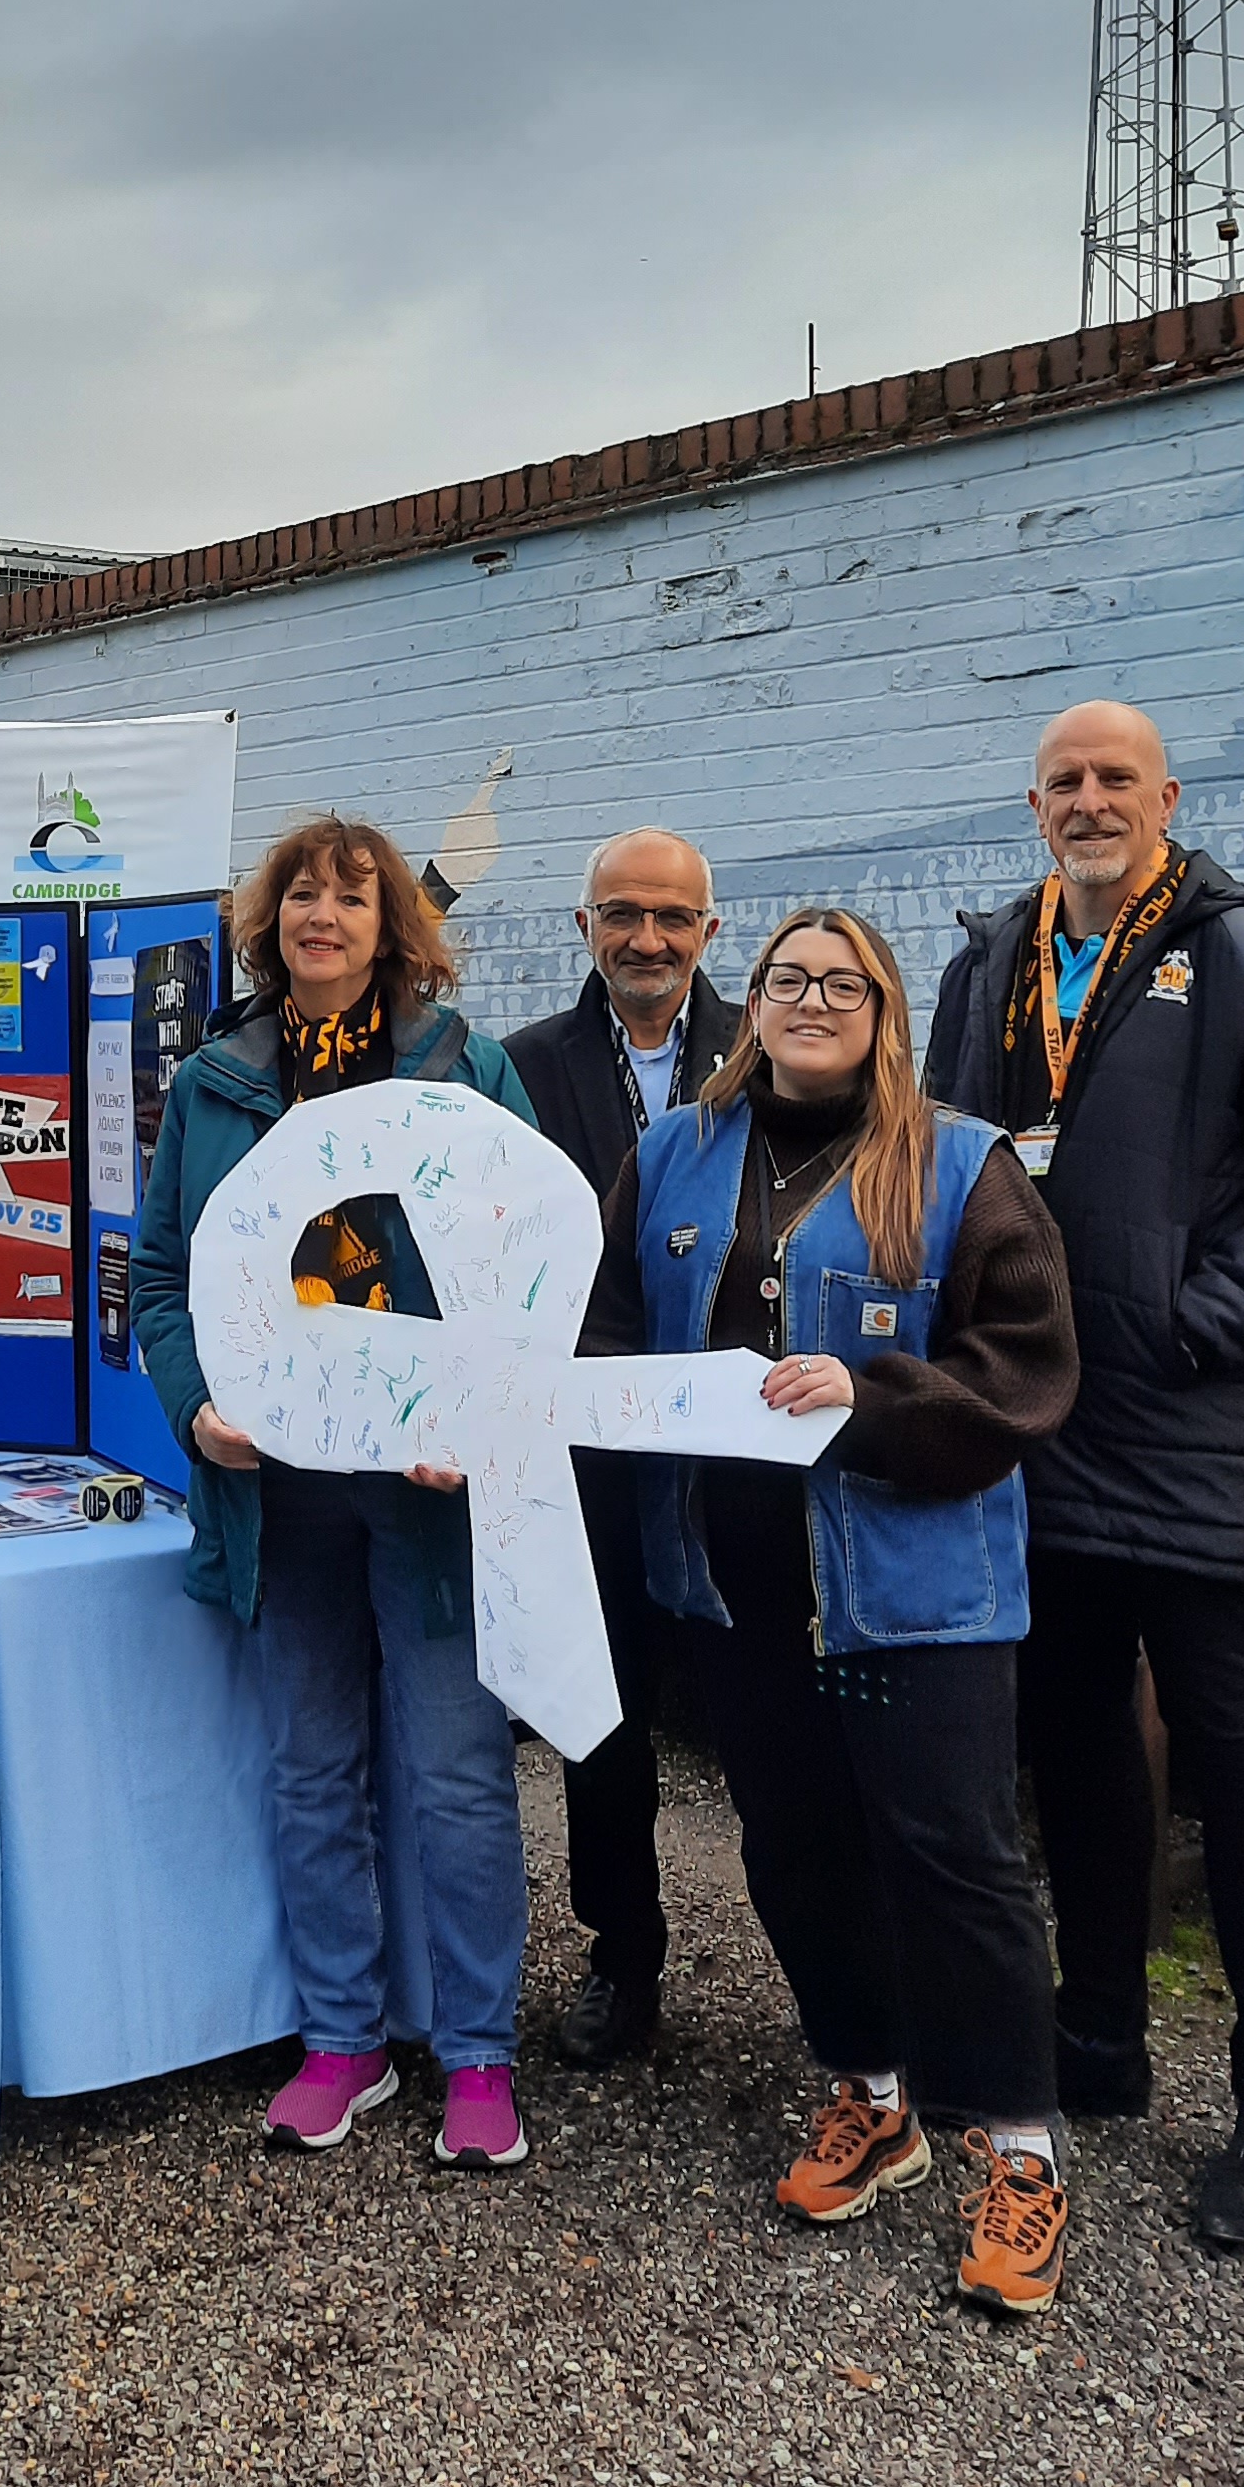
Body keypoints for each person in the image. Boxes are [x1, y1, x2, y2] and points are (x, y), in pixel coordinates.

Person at [926, 700, 1244, 2253]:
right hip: (1035, 1429)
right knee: (1067, 1738)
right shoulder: (985, 960)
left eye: (1111, 776)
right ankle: (1101, 2035)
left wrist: (1203, 1311)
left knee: (1237, 1757)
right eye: (1061, 779)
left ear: (1164, 796)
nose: (1085, 799)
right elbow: (933, 1153)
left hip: (1186, 1428)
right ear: (1030, 802)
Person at [583, 904, 1081, 2312]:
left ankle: (1020, 2149)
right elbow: (607, 1326)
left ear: (880, 1007)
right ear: (747, 1001)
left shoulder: (960, 1166)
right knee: (791, 1849)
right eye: (785, 977)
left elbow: (1024, 1371)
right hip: (734, 1585)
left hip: (913, 1588)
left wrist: (872, 1395)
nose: (808, 998)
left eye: (838, 981)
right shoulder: (669, 1151)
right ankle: (870, 2091)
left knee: (955, 1863)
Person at [134, 814, 542, 2173]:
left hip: (424, 1495)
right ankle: (340, 2036)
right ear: (269, 922)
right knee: (311, 1770)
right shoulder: (215, 1081)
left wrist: (474, 1416)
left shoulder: (464, 1066)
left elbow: (534, 1267)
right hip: (279, 1496)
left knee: (454, 1775)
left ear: (389, 926)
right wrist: (196, 1405)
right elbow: (154, 1279)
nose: (321, 914)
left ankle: (477, 2053)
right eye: (300, 892)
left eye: (349, 895)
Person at [503, 827, 736, 2071]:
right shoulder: (525, 1067)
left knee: (768, 1717)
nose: (647, 937)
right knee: (601, 1719)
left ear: (709, 930)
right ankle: (622, 1956)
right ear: (584, 927)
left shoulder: (770, 1047)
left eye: (672, 916)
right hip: (580, 1442)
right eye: (622, 913)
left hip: (727, 1447)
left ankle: (830, 1980)